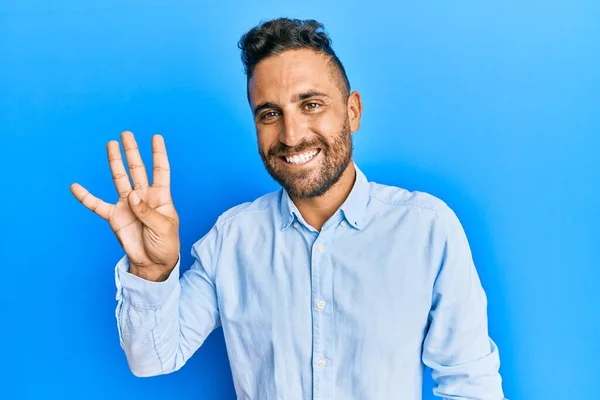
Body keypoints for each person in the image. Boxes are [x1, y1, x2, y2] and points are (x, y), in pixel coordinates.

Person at [70, 17, 506, 400]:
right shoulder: (232, 238)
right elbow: (153, 359)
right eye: (269, 113)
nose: (292, 134)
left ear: (352, 111)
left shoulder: (427, 229)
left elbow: (472, 386)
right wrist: (152, 271)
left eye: (311, 104)